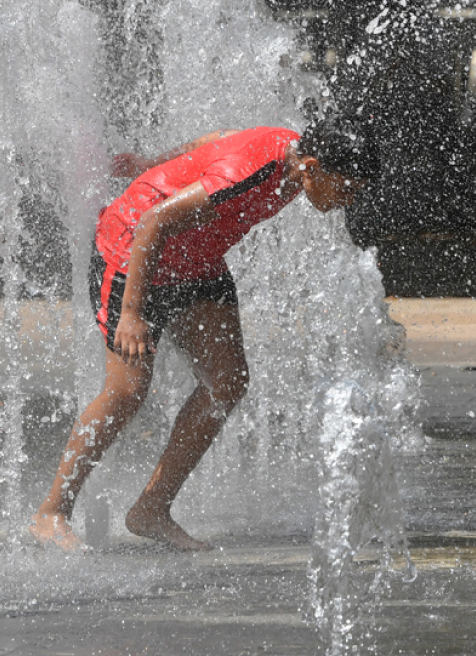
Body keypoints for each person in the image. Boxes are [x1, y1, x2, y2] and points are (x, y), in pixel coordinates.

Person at [29, 118, 378, 551]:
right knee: (127, 391)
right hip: (133, 254)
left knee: (227, 381)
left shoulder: (292, 153)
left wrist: (154, 162)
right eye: (344, 187)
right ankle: (51, 512)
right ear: (311, 166)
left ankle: (151, 509)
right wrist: (133, 314)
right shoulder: (246, 176)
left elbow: (214, 141)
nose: (346, 200)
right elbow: (153, 223)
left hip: (197, 260)